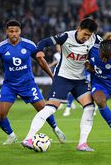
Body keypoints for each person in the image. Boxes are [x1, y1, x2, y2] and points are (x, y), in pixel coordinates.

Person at [0, 19, 66, 145]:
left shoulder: (29, 45)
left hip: (28, 84)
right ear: (7, 32)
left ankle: (56, 128)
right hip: (9, 86)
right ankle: (11, 136)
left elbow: (41, 61)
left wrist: (52, 76)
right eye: (11, 31)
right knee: (1, 114)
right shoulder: (1, 48)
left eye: (16, 31)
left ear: (20, 31)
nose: (14, 34)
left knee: (43, 110)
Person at [21, 18, 99, 152]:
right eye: (85, 34)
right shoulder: (66, 36)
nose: (86, 38)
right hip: (63, 77)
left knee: (90, 107)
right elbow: (43, 42)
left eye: (89, 35)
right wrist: (39, 51)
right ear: (78, 29)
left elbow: (107, 50)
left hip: (80, 80)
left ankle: (82, 144)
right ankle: (28, 138)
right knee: (50, 108)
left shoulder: (95, 39)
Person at [86, 39, 111, 142]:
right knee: (100, 101)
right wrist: (88, 68)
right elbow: (89, 64)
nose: (104, 59)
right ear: (99, 50)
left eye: (107, 57)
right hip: (100, 83)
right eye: (103, 55)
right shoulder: (92, 50)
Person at [48, 45, 76, 116]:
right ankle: (62, 103)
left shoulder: (68, 53)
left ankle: (70, 103)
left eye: (59, 46)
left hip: (68, 73)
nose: (58, 48)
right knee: (60, 89)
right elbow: (55, 62)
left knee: (70, 89)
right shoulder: (56, 55)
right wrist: (50, 65)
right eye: (57, 47)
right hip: (59, 73)